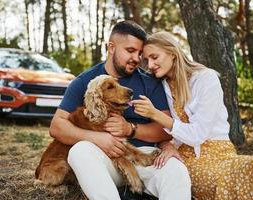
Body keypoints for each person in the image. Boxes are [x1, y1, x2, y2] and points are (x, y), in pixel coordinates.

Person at [49, 21, 191, 200]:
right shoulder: (85, 81)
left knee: (176, 170)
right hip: (103, 162)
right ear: (111, 47)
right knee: (79, 151)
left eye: (140, 53)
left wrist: (130, 129)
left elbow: (165, 130)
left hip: (144, 157)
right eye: (130, 51)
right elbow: (57, 126)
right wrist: (97, 139)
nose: (137, 58)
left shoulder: (150, 82)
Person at [132, 31, 253, 200]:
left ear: (172, 53)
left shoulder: (205, 79)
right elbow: (166, 135)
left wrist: (155, 114)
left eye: (154, 57)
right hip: (188, 158)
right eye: (147, 60)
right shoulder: (160, 86)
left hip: (221, 152)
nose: (150, 65)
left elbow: (198, 134)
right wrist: (168, 146)